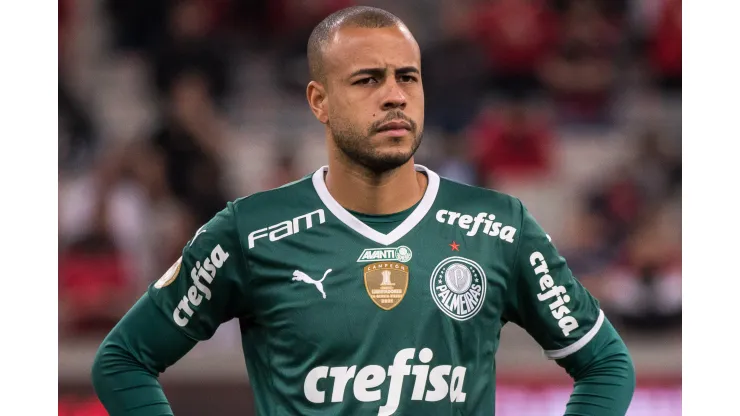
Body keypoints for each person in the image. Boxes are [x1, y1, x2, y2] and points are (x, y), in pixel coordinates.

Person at [92, 6, 635, 415]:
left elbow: (606, 364)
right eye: (368, 80)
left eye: (408, 76)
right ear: (319, 100)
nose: (395, 95)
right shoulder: (250, 232)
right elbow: (122, 362)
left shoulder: (498, 226)